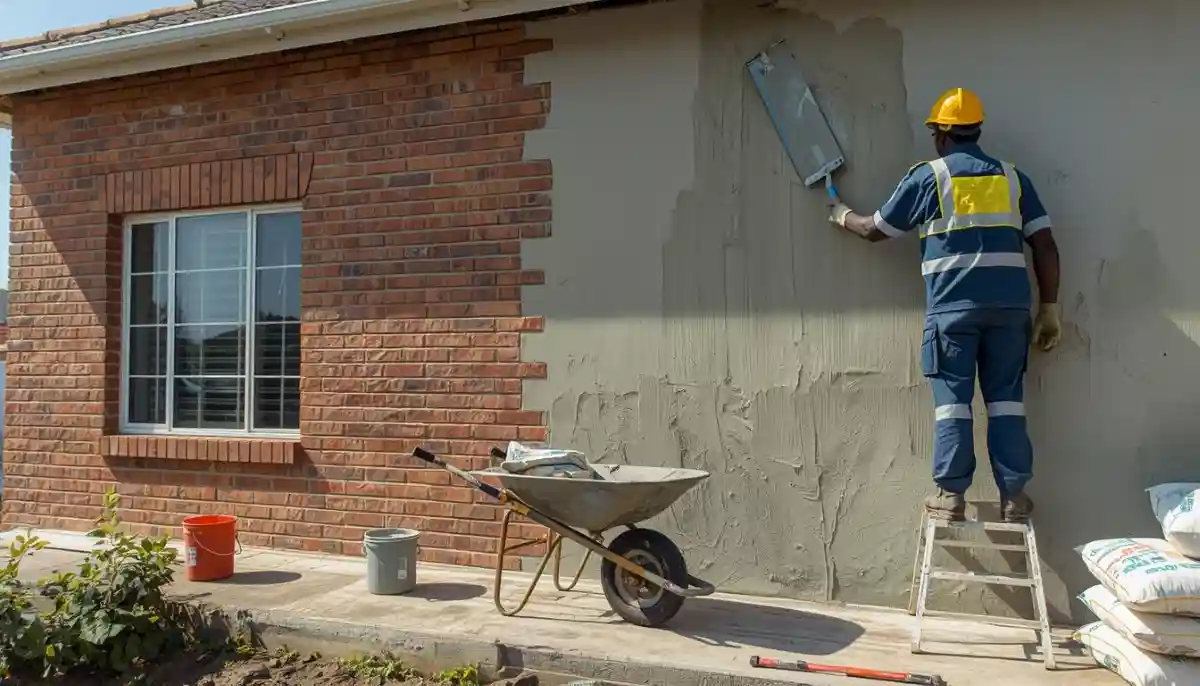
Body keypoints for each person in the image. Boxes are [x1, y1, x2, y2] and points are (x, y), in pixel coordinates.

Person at [827, 87, 1062, 523]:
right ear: (977, 131)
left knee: (953, 404)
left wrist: (841, 214)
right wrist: (1049, 308)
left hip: (953, 311)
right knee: (1007, 403)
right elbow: (1044, 244)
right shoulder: (1013, 179)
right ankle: (1014, 496)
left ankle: (951, 496)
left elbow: (875, 229)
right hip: (1010, 313)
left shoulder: (930, 178)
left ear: (940, 135)